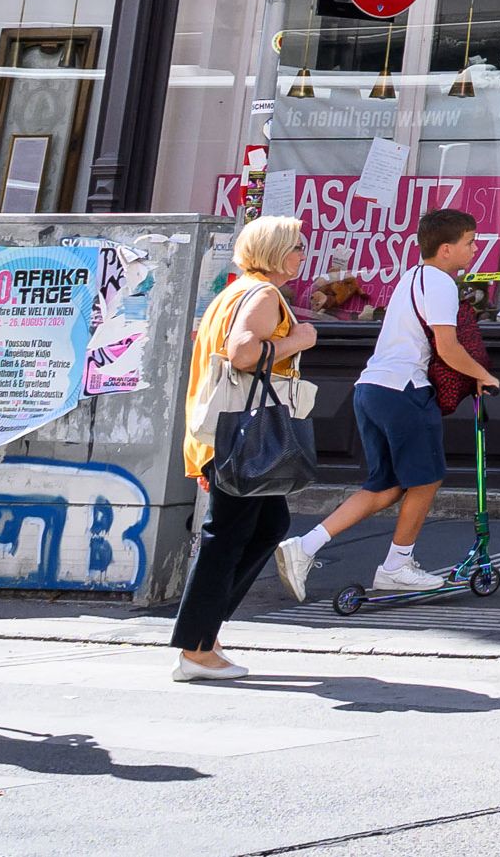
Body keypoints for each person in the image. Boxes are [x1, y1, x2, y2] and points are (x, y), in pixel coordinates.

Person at [272, 207, 497, 602]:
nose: (474, 249)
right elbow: (448, 347)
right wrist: (483, 375)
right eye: (469, 242)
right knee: (426, 479)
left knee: (386, 485)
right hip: (404, 390)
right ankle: (397, 566)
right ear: (445, 249)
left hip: (372, 389)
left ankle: (303, 547)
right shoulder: (441, 283)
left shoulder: (411, 277)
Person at [170, 217, 316, 682]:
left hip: (227, 430)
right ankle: (195, 648)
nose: (302, 253)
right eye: (296, 246)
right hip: (244, 432)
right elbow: (243, 354)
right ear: (274, 251)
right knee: (227, 535)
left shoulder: (236, 292)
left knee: (269, 522)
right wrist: (299, 339)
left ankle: (204, 632)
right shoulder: (263, 295)